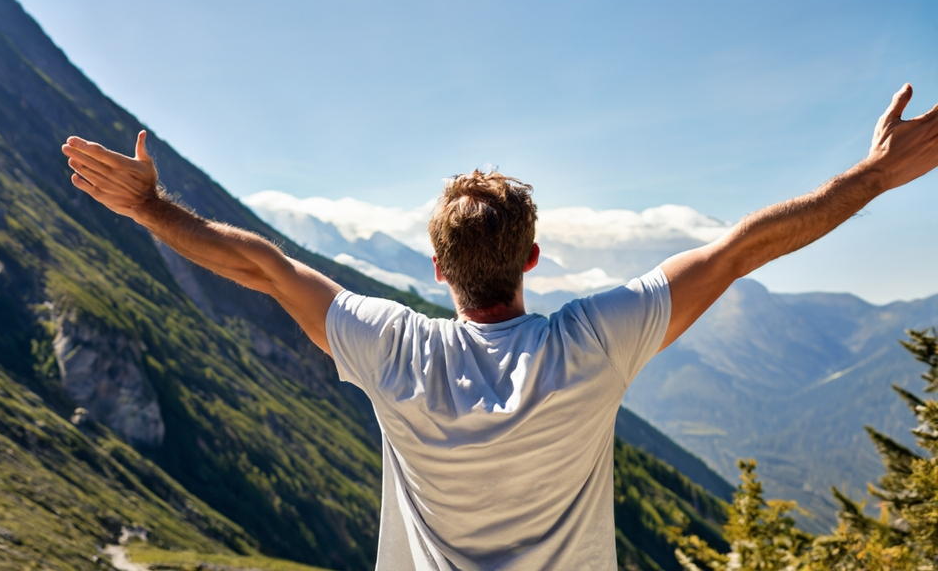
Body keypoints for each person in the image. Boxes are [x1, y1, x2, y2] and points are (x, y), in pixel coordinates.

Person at [62, 84, 938, 570]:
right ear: (534, 259)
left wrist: (151, 208)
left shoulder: (390, 347)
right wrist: (874, 174)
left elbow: (262, 267)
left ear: (437, 270)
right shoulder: (594, 344)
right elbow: (741, 249)